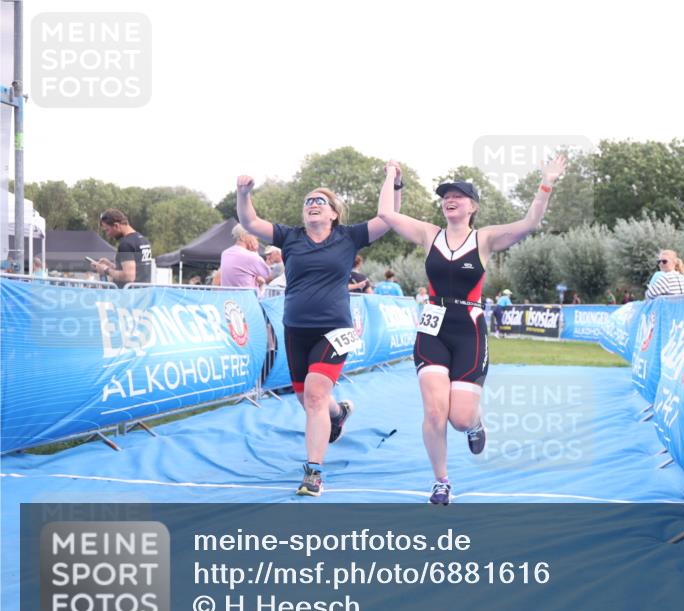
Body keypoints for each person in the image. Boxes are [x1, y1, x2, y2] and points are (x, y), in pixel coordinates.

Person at [377, 155, 567, 504]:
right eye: (445, 196)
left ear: (473, 206)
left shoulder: (485, 238)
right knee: (435, 412)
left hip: (469, 330)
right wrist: (392, 176)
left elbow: (531, 222)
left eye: (458, 196)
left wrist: (547, 182)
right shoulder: (429, 234)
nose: (450, 200)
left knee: (460, 419)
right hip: (433, 328)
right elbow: (386, 214)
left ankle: (476, 424)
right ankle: (441, 481)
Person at [235, 172, 402, 496]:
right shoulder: (290, 237)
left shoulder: (348, 237)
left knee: (314, 395)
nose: (312, 204)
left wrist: (393, 182)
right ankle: (338, 414)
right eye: (308, 201)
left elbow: (388, 217)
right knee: (308, 399)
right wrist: (243, 193)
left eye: (319, 201)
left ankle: (314, 473)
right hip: (296, 329)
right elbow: (250, 221)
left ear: (333, 213)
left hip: (335, 329)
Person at [91, 208, 153, 287]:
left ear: (116, 225)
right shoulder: (143, 240)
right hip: (144, 291)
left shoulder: (126, 244)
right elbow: (137, 270)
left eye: (107, 230)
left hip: (129, 293)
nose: (108, 234)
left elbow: (129, 276)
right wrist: (110, 265)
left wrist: (105, 269)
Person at [220, 225, 272, 296]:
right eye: (253, 234)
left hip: (228, 299)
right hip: (247, 299)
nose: (256, 237)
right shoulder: (251, 256)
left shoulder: (225, 253)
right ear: (242, 237)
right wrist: (254, 251)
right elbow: (269, 276)